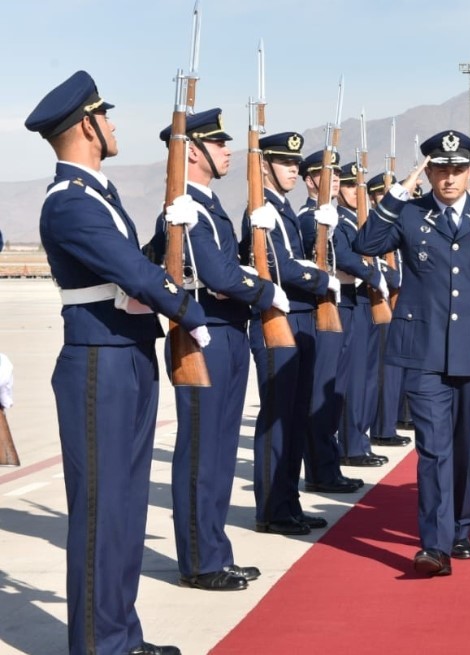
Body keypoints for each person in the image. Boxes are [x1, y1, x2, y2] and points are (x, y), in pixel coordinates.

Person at [27, 69, 208, 655]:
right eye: (105, 115)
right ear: (87, 126)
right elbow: (132, 275)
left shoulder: (98, 197)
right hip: (99, 365)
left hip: (126, 355)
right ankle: (98, 644)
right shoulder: (70, 202)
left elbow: (133, 261)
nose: (113, 123)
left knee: (126, 507)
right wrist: (192, 314)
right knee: (103, 510)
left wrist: (167, 231)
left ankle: (121, 636)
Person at [358, 130, 470, 577]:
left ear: (469, 171)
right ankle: (434, 545)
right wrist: (397, 193)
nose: (449, 178)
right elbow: (366, 244)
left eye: (457, 169)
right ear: (428, 172)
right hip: (424, 351)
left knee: (467, 445)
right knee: (433, 449)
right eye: (439, 169)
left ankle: (461, 526)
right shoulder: (410, 213)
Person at [148, 108, 289, 592]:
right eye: (218, 142)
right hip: (203, 336)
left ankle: (215, 551)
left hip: (228, 333)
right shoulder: (184, 207)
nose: (228, 150)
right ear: (192, 150)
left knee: (222, 452)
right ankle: (199, 561)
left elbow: (229, 267)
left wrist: (257, 239)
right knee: (201, 451)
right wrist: (266, 291)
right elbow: (216, 274)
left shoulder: (207, 205)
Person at [240, 132, 342, 537]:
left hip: (299, 319)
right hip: (276, 320)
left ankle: (288, 504)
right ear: (263, 166)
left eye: (296, 164)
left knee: (296, 417)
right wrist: (320, 279)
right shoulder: (260, 209)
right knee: (278, 418)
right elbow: (279, 266)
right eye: (285, 163)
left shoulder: (280, 208)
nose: (293, 170)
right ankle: (271, 509)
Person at [296, 151, 361, 492]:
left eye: (337, 173)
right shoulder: (310, 218)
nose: (335, 178)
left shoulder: (331, 216)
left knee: (334, 392)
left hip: (339, 303)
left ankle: (329, 466)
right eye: (326, 174)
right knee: (322, 393)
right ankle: (320, 471)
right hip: (323, 306)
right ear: (310, 180)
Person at [332, 161, 390, 467]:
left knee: (368, 378)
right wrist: (373, 274)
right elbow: (344, 256)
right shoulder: (338, 221)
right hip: (351, 299)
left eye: (359, 187)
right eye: (349, 185)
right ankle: (350, 446)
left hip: (368, 300)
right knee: (354, 379)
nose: (356, 192)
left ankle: (361, 441)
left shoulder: (362, 222)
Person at [363, 173, 410, 449]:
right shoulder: (374, 225)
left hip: (399, 301)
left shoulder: (400, 224)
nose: (388, 199)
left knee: (396, 369)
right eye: (382, 194)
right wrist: (392, 277)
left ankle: (392, 421)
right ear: (373, 198)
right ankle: (382, 428)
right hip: (379, 302)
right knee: (383, 370)